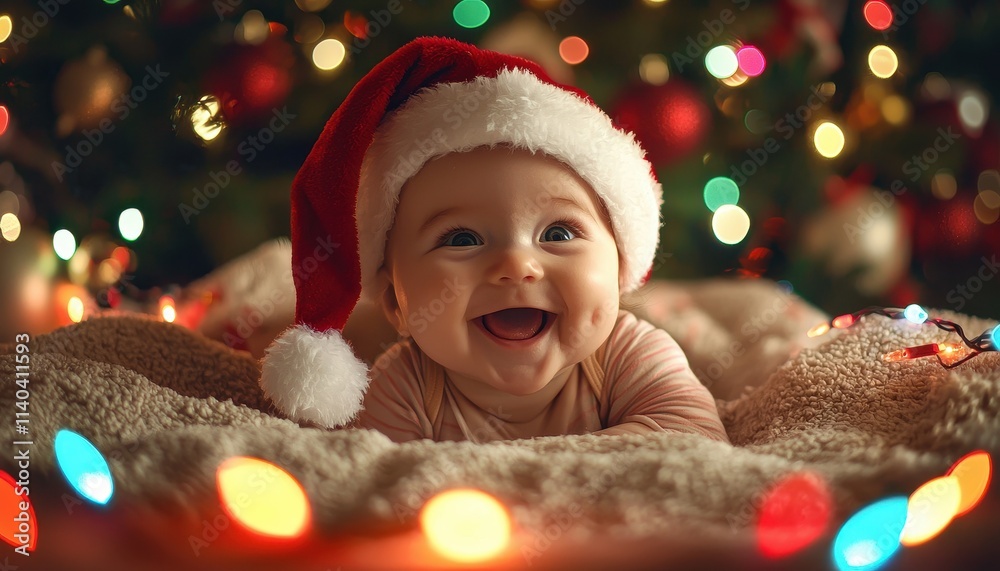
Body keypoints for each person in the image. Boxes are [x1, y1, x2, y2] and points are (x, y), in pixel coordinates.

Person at [257, 37, 730, 445]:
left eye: (558, 233)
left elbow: (693, 444)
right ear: (396, 305)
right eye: (461, 238)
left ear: (621, 263)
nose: (517, 264)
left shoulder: (630, 354)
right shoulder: (405, 388)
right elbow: (375, 483)